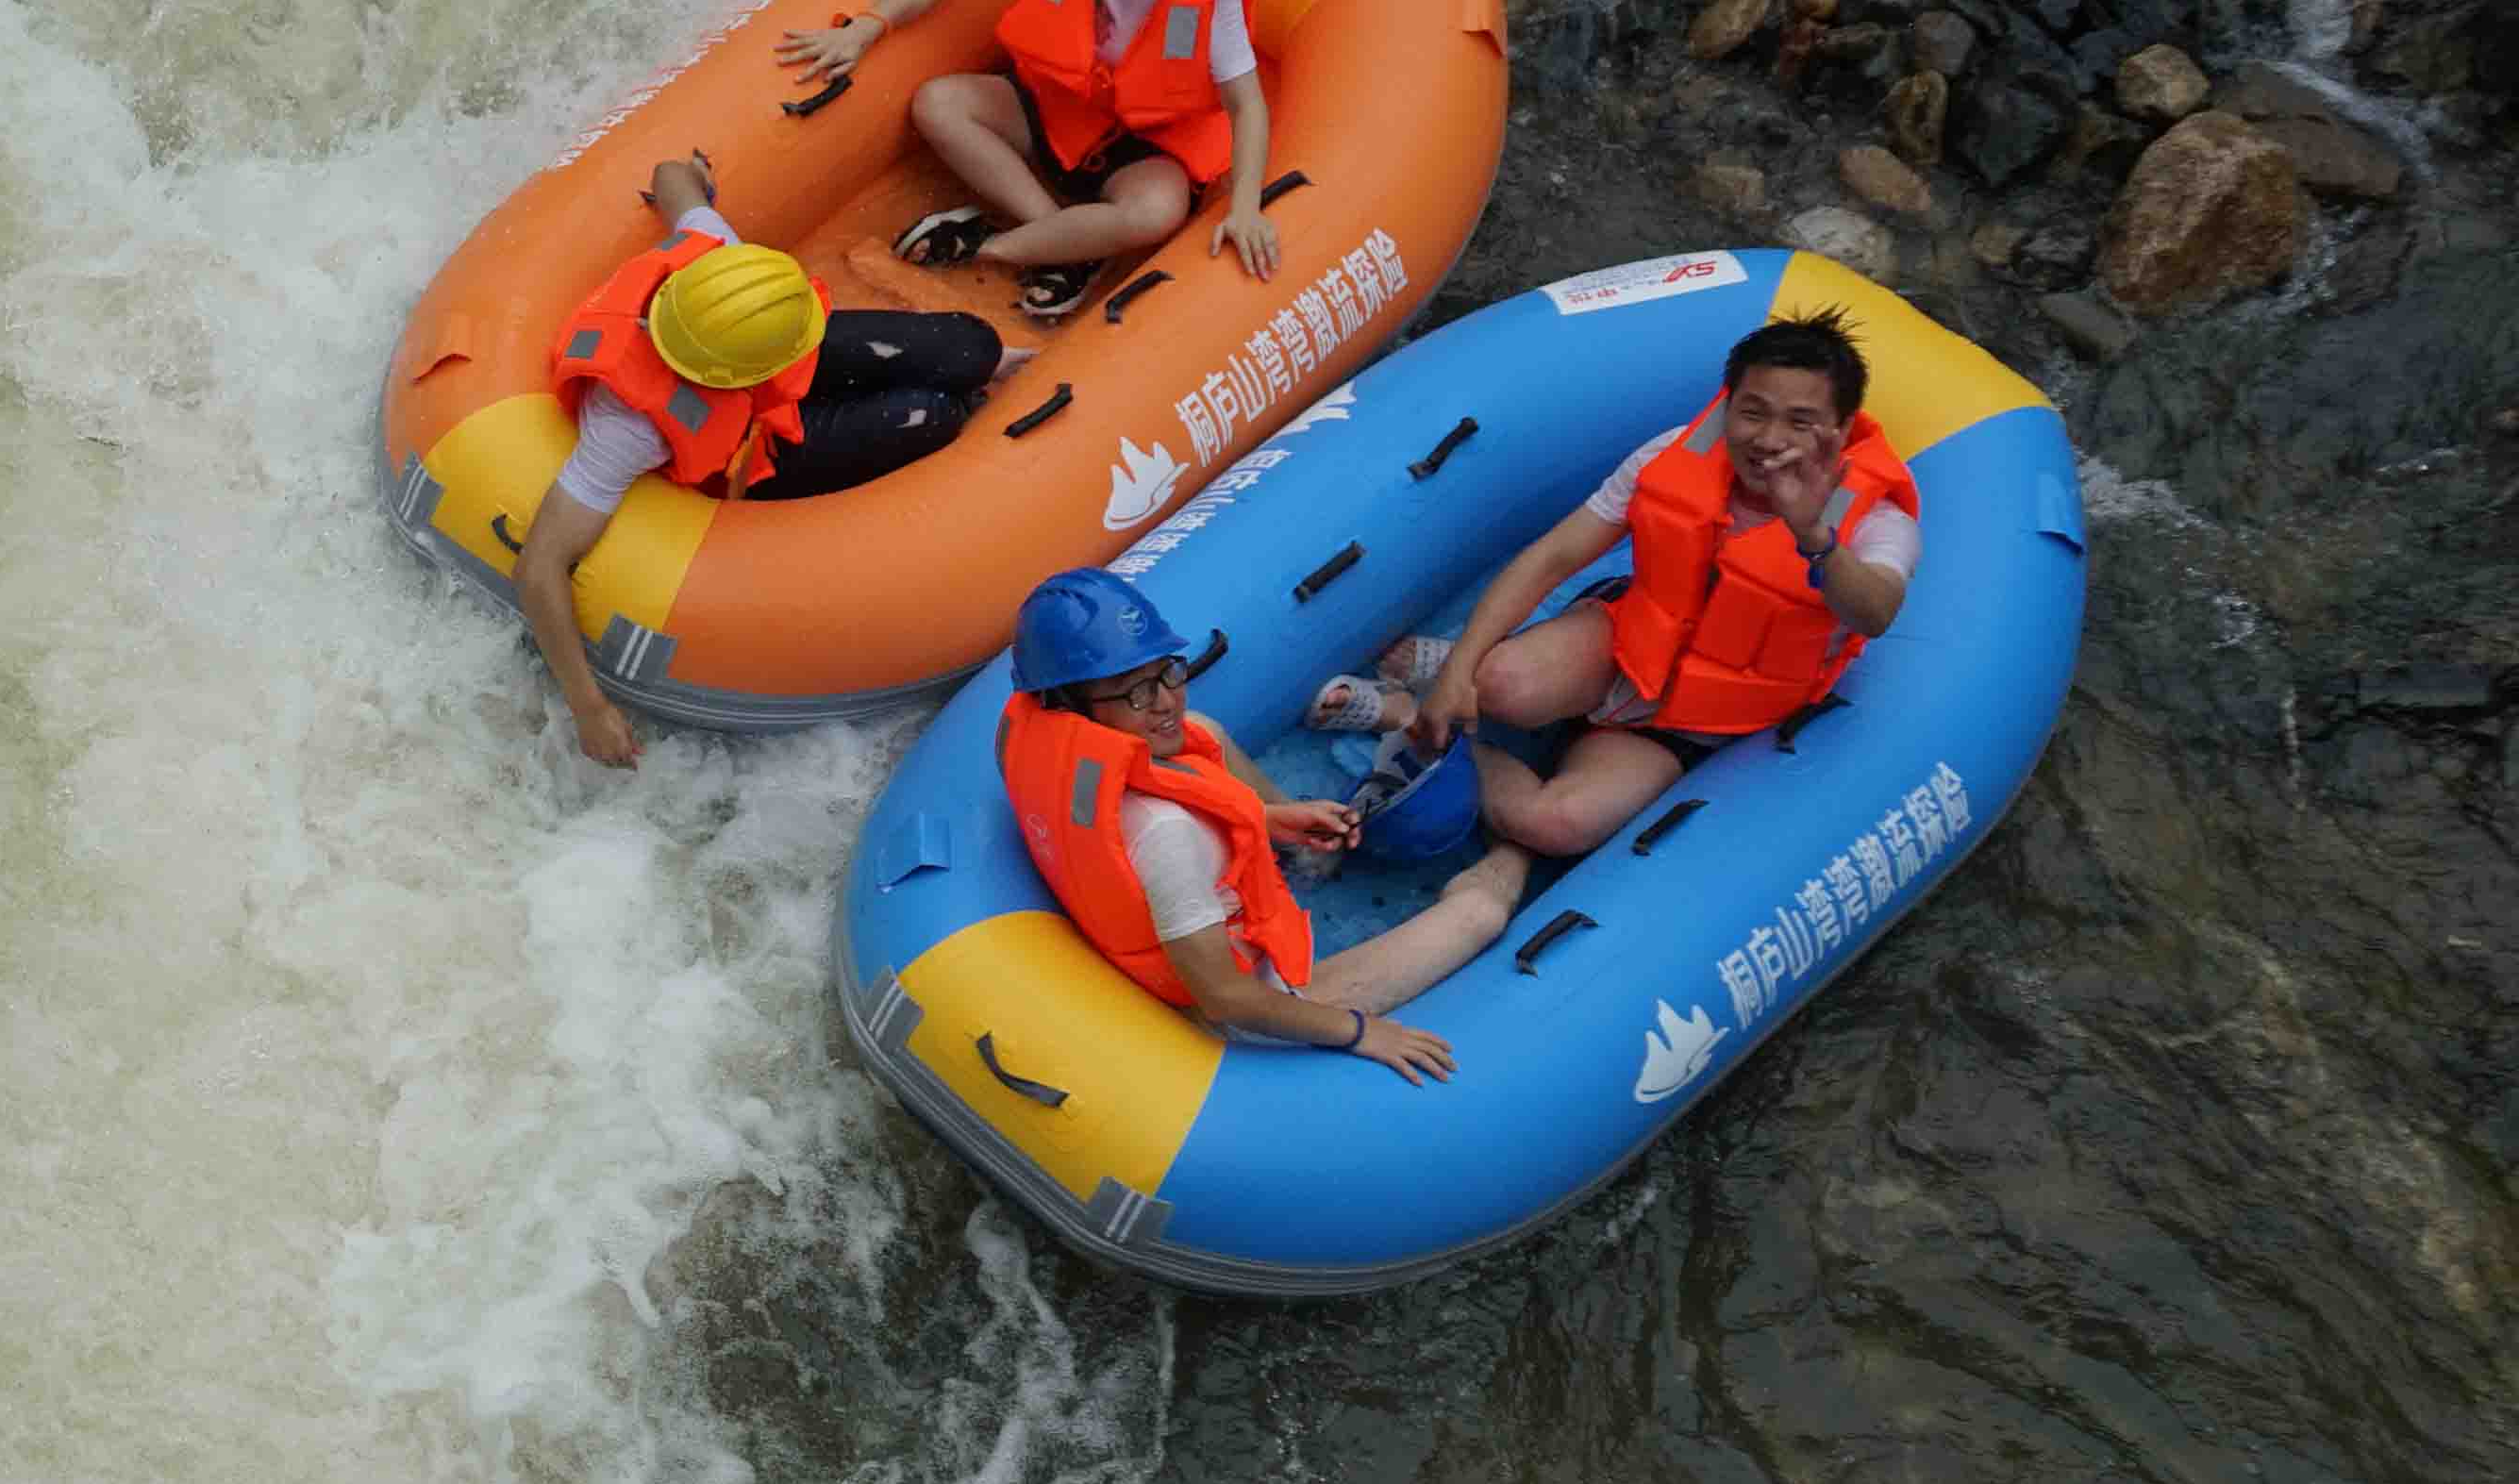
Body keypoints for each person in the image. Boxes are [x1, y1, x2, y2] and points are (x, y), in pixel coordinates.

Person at [1335, 311, 1920, 863]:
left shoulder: (1876, 521)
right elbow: (1553, 557)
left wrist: (1814, 535)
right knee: (1496, 681)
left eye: (1800, 421)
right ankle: (1449, 682)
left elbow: (1874, 612)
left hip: (1701, 724)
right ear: (1729, 404)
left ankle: (1401, 715)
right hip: (1622, 646)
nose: (1769, 439)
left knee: (1555, 825)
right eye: (1753, 412)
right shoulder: (1672, 453)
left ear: (1841, 430)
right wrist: (1462, 667)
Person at [514, 149, 1018, 770]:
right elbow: (540, 569)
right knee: (931, 415)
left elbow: (668, 173)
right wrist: (588, 707)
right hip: (752, 455)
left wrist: (696, 175)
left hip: (760, 355)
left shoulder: (713, 254)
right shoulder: (627, 426)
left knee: (975, 348)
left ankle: (962, 367)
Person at [1000, 570, 1526, 1087]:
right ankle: (1524, 840)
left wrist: (1270, 818)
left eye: (1167, 673)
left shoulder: (1033, 742)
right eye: (1133, 692)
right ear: (1071, 704)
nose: (1164, 701)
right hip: (1243, 1007)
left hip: (1164, 892)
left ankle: (1309, 851)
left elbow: (1163, 789)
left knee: (1200, 732)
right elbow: (1225, 998)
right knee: (1480, 914)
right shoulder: (1165, 836)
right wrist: (1360, 1032)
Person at [779, 0, 1277, 325]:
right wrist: (865, 29)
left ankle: (999, 245)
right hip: (1055, 111)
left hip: (1144, 146)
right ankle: (1064, 240)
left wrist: (1245, 206)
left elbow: (1246, 105)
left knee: (1159, 211)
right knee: (938, 103)